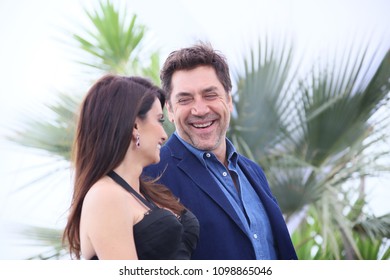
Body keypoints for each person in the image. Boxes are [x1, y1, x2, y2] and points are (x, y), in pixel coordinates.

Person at [143, 43, 297, 260]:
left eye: (210, 95)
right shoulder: (151, 175)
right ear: (169, 109)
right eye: (185, 99)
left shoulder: (253, 171)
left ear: (229, 100)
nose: (200, 110)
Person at [63, 74, 199, 260]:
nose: (164, 135)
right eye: (159, 120)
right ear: (135, 126)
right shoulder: (105, 196)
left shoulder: (146, 192)